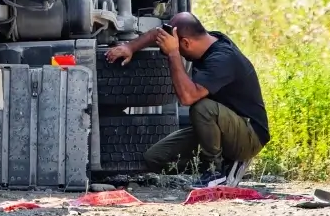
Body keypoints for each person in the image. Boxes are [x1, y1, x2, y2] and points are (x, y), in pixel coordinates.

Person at [105, 12, 269, 184]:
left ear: (184, 43)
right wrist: (130, 47)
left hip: (249, 135)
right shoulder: (205, 40)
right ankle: (225, 163)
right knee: (154, 158)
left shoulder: (222, 59)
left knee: (202, 107)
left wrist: (173, 53)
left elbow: (188, 98)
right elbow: (157, 33)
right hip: (220, 127)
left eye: (180, 48)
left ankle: (215, 172)